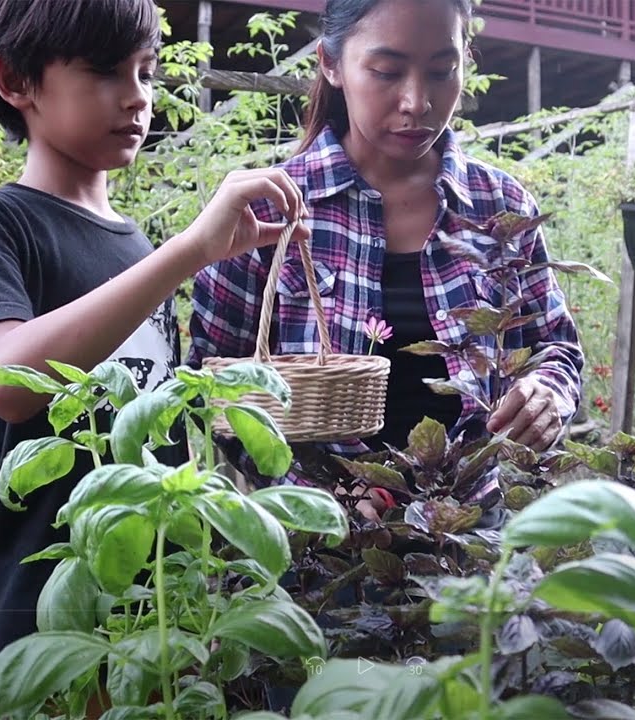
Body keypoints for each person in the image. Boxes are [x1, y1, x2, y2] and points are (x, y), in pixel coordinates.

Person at [0, 0, 306, 715]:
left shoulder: (138, 246)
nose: (137, 97)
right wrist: (187, 253)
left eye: (146, 72)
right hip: (40, 630)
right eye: (105, 71)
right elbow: (7, 382)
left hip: (155, 618)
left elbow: (157, 430)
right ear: (16, 81)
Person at [190, 0, 583, 506]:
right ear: (331, 64)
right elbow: (215, 389)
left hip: (477, 531)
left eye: (442, 71)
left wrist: (547, 393)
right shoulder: (267, 211)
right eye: (386, 71)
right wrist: (318, 499)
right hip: (324, 545)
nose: (417, 102)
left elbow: (556, 347)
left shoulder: (499, 207)